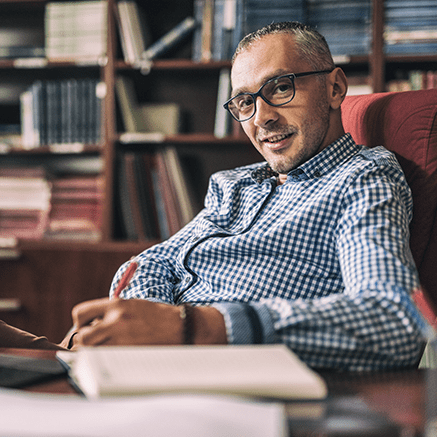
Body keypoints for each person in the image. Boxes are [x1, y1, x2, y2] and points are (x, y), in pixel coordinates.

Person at [11, 21, 430, 371]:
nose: (261, 117)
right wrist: (144, 336)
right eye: (245, 101)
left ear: (336, 88)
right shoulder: (237, 184)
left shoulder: (363, 178)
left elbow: (394, 321)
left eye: (281, 88)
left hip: (221, 385)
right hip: (139, 369)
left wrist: (195, 328)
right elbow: (154, 263)